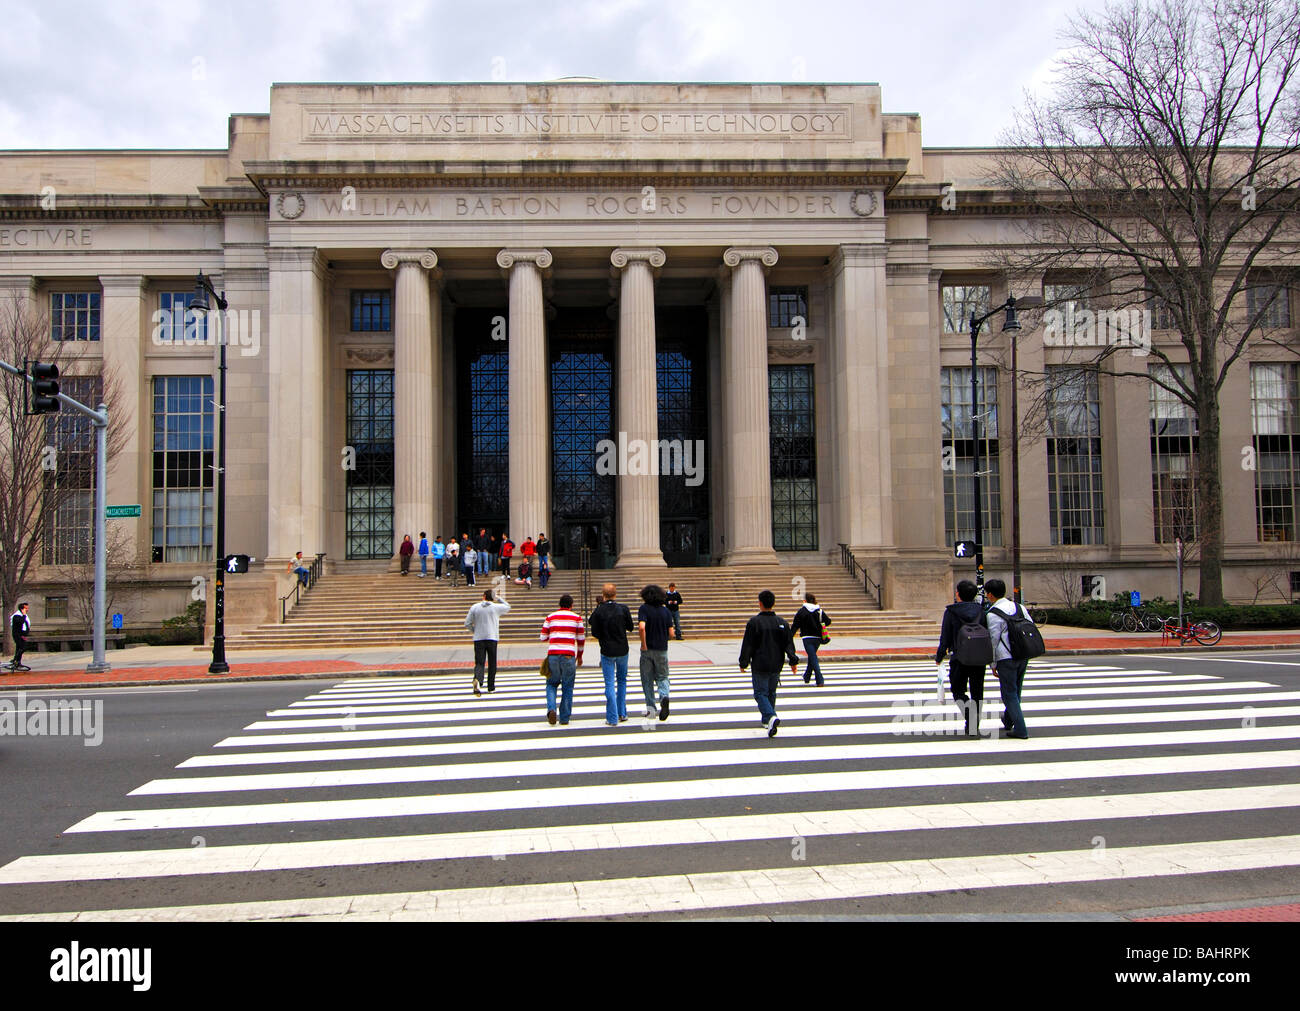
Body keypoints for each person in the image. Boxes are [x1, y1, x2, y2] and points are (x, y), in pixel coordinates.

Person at [739, 589, 798, 737]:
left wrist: (743, 662)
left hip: (760, 663)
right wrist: (793, 660)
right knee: (771, 691)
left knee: (760, 693)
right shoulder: (782, 622)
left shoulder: (754, 622)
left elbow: (748, 644)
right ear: (773, 603)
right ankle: (767, 720)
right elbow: (788, 644)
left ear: (760, 603)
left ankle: (770, 716)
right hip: (777, 663)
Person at [934, 579, 987, 737]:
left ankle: (969, 715)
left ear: (958, 594)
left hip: (960, 656)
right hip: (979, 656)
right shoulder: (981, 611)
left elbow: (945, 637)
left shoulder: (951, 612)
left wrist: (940, 656)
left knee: (957, 689)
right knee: (977, 691)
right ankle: (974, 724)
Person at [984, 578, 1031, 739]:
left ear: (990, 595)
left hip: (1006, 658)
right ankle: (1009, 719)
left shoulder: (993, 614)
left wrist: (993, 664)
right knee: (1016, 690)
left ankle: (1021, 729)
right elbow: (1029, 627)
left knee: (1008, 693)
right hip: (1023, 654)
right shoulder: (1020, 607)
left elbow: (993, 640)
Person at [589, 582, 635, 726]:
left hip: (607, 650)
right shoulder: (623, 608)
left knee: (609, 683)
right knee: (622, 681)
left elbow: (594, 631)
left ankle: (612, 717)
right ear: (615, 594)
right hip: (622, 649)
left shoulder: (599, 610)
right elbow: (631, 627)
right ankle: (622, 713)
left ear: (603, 595)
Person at [540, 593, 585, 725]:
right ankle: (564, 717)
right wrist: (580, 656)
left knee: (551, 684)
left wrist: (553, 635)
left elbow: (543, 637)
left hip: (553, 654)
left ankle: (551, 708)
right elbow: (581, 639)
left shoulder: (551, 617)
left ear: (559, 605)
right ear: (571, 605)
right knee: (568, 686)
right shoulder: (577, 618)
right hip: (569, 654)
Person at [638, 583, 674, 722]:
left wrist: (644, 644)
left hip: (647, 650)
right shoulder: (666, 612)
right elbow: (671, 633)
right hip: (661, 649)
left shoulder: (644, 609)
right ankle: (664, 697)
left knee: (647, 680)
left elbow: (642, 627)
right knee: (663, 677)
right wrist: (665, 639)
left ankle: (651, 709)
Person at [465, 588, 511, 695]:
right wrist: (499, 598)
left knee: (480, 662)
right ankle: (491, 686)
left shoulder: (475, 607)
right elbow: (508, 606)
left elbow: (467, 623)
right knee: (492, 662)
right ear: (493, 598)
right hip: (492, 637)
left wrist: (475, 630)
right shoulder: (496, 607)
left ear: (484, 596)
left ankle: (478, 679)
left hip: (478, 638)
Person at [791, 592, 832, 686]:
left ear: (805, 601)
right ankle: (807, 676)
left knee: (813, 656)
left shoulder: (801, 611)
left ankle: (819, 679)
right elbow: (828, 621)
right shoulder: (819, 611)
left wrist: (789, 636)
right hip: (817, 638)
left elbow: (795, 626)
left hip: (807, 637)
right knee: (812, 656)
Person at [8, 602, 32, 672]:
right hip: (17, 635)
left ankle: (18, 662)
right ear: (22, 609)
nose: (27, 609)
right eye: (26, 608)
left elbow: (26, 624)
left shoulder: (24, 615)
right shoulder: (16, 616)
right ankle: (15, 660)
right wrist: (24, 615)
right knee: (22, 647)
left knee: (19, 648)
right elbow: (21, 622)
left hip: (22, 634)